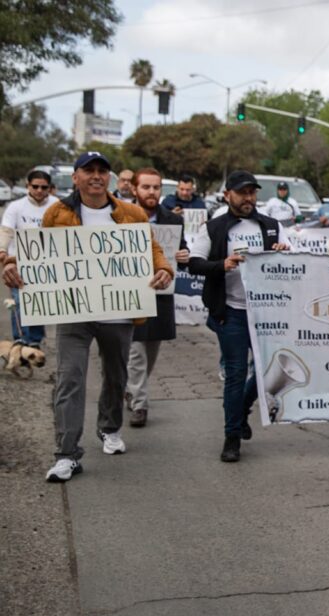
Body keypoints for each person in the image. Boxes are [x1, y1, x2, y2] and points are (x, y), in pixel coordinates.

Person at [1, 151, 174, 483]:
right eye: (89, 170)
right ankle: (67, 454)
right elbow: (41, 253)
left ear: (108, 178)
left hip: (120, 311)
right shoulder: (57, 212)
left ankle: (109, 429)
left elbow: (151, 249)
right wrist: (12, 265)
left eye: (102, 171)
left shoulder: (131, 213)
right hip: (74, 311)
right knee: (70, 380)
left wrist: (163, 269)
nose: (96, 176)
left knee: (115, 376)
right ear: (76, 177)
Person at [188, 170, 289, 463]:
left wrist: (283, 251)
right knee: (234, 374)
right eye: (242, 192)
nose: (248, 198)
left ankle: (243, 409)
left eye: (252, 192)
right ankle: (231, 437)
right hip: (231, 310)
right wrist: (223, 264)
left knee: (266, 372)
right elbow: (195, 263)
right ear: (227, 195)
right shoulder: (215, 228)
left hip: (267, 311)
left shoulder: (271, 226)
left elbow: (295, 260)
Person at [124, 168, 190, 428]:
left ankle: (131, 388)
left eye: (156, 187)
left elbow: (181, 252)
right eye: (146, 187)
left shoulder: (172, 221)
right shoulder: (119, 217)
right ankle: (140, 404)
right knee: (136, 351)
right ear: (134, 190)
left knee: (151, 350)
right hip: (129, 294)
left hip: (161, 294)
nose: (151, 192)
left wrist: (184, 256)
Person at [0, 170, 59, 348]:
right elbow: (7, 230)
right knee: (18, 302)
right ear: (28, 186)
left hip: (46, 264)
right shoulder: (16, 207)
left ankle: (34, 340)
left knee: (38, 302)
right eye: (35, 186)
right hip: (17, 263)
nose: (39, 190)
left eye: (44, 187)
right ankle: (20, 339)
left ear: (50, 188)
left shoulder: (58, 206)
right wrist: (2, 250)